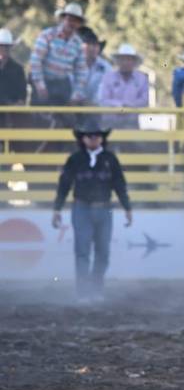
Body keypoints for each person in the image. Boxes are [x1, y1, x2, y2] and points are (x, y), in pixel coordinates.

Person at [52, 118, 132, 302]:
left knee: (103, 252)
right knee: (83, 251)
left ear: (102, 138)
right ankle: (83, 292)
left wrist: (127, 207)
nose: (93, 138)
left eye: (96, 136)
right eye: (89, 136)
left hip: (103, 209)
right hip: (82, 208)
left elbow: (120, 185)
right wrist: (57, 208)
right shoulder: (75, 160)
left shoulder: (110, 159)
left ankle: (96, 290)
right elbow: (64, 185)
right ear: (83, 139)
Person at [29, 3, 89, 110]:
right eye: (69, 19)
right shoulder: (47, 35)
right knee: (39, 115)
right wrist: (40, 85)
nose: (72, 23)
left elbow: (81, 71)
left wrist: (76, 94)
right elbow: (36, 60)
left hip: (62, 85)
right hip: (44, 80)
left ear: (79, 24)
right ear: (63, 19)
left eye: (75, 21)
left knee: (64, 117)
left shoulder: (78, 44)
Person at [98, 43, 149, 131]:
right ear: (118, 61)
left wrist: (129, 106)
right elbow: (103, 99)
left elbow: (144, 100)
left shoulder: (141, 78)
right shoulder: (108, 77)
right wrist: (119, 106)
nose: (125, 62)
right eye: (122, 59)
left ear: (134, 62)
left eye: (129, 59)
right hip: (109, 124)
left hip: (131, 124)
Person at [0, 28, 27, 128]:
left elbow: (22, 96)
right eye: (1, 46)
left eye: (6, 46)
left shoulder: (18, 69)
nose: (4, 49)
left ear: (10, 48)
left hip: (11, 116)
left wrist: (16, 105)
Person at [77, 27, 111, 104]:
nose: (92, 48)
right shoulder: (73, 63)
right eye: (88, 44)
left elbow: (106, 88)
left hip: (96, 107)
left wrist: (92, 102)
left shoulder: (106, 67)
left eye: (95, 45)